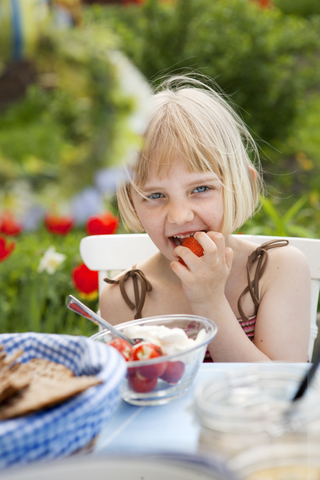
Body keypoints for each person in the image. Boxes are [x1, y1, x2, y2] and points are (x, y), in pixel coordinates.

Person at [100, 75, 311, 362]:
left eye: (201, 189)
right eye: (155, 195)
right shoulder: (124, 299)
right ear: (132, 203)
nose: (180, 215)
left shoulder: (277, 270)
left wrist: (209, 302)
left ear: (242, 186)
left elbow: (279, 391)